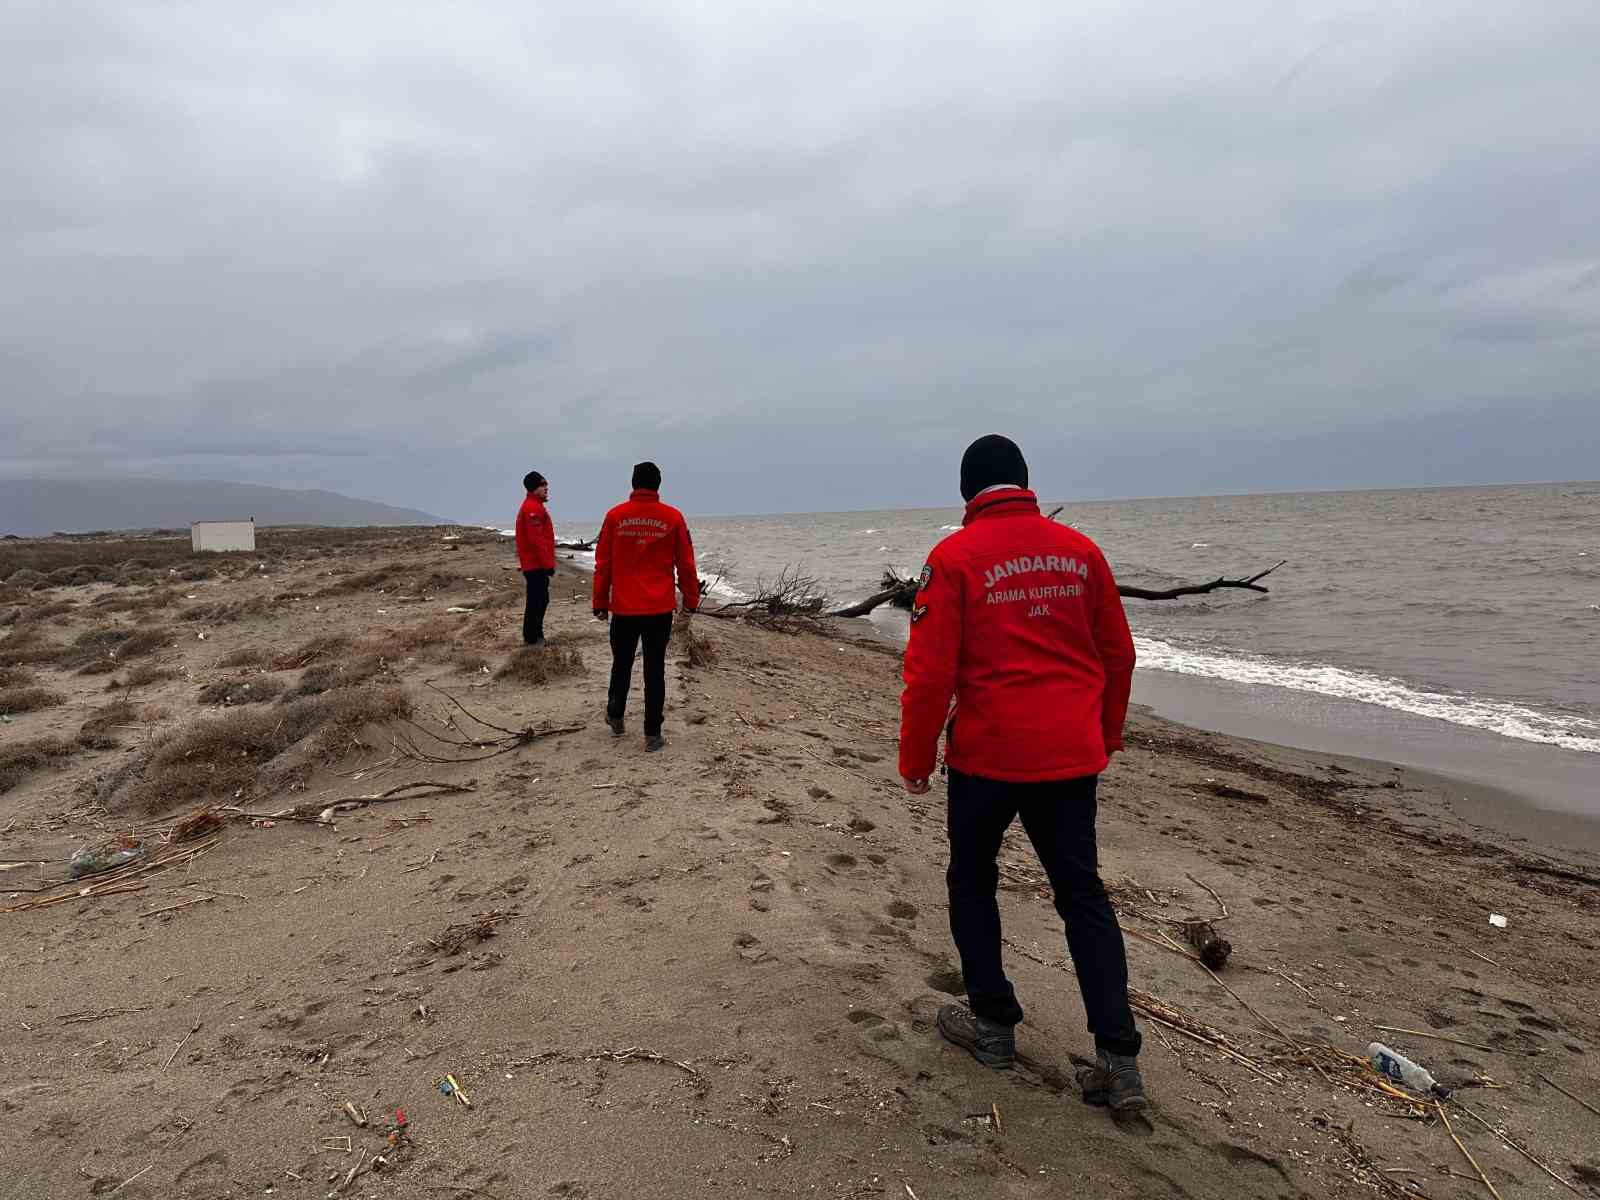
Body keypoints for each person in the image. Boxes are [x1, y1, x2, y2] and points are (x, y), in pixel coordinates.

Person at [898, 434, 1146, 1116]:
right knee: (1082, 896)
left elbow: (928, 676)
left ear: (966, 492)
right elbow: (1118, 654)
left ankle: (993, 1027)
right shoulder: (1081, 552)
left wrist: (915, 759)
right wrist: (1107, 732)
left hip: (988, 757)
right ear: (1025, 483)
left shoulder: (951, 559)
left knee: (973, 882)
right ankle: (1119, 1060)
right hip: (1069, 755)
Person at [592, 461, 700, 751]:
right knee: (655, 670)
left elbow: (603, 563)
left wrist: (600, 602)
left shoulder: (615, 517)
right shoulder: (673, 517)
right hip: (658, 609)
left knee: (622, 663)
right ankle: (652, 733)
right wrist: (691, 600)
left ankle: (615, 715)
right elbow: (686, 564)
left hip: (625, 608)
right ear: (658, 485)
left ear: (633, 483)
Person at [514, 470, 556, 646]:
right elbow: (536, 540)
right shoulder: (532, 508)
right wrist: (548, 564)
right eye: (542, 484)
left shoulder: (535, 506)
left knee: (540, 599)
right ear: (534, 488)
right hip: (534, 564)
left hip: (535, 563)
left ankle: (535, 635)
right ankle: (532, 638)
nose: (546, 487)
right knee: (537, 600)